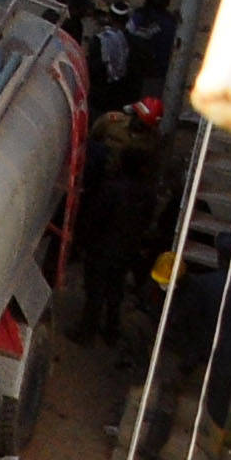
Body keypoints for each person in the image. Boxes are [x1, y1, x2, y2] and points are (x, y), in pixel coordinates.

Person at [137, 231, 231, 460]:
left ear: (219, 256)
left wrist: (193, 356)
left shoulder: (204, 284)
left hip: (221, 354)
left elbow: (195, 324)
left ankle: (214, 445)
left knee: (219, 396)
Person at [69, 97, 163, 349]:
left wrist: (85, 239)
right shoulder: (112, 123)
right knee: (115, 290)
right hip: (124, 244)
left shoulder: (114, 190)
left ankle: (89, 331)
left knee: (98, 289)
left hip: (105, 243)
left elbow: (96, 217)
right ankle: (110, 331)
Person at [124, 0, 180, 105]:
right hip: (156, 73)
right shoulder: (169, 22)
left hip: (135, 69)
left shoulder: (139, 16)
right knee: (148, 106)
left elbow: (126, 34)